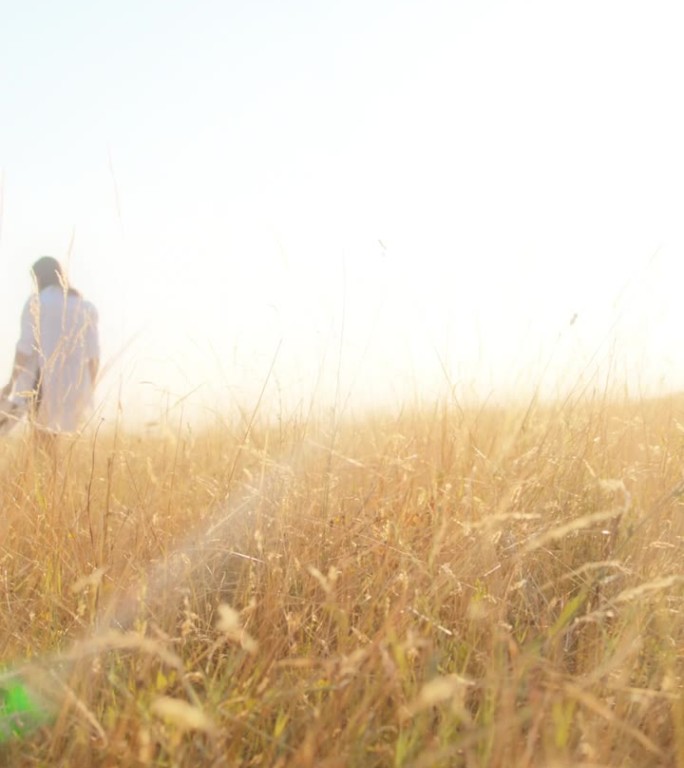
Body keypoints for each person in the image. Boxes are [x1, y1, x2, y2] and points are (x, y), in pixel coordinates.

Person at [1, 257, 100, 435]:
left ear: (38, 278)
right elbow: (94, 356)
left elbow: (25, 347)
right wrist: (90, 388)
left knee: (40, 441)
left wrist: (11, 383)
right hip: (74, 387)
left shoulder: (37, 302)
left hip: (41, 384)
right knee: (60, 443)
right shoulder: (85, 307)